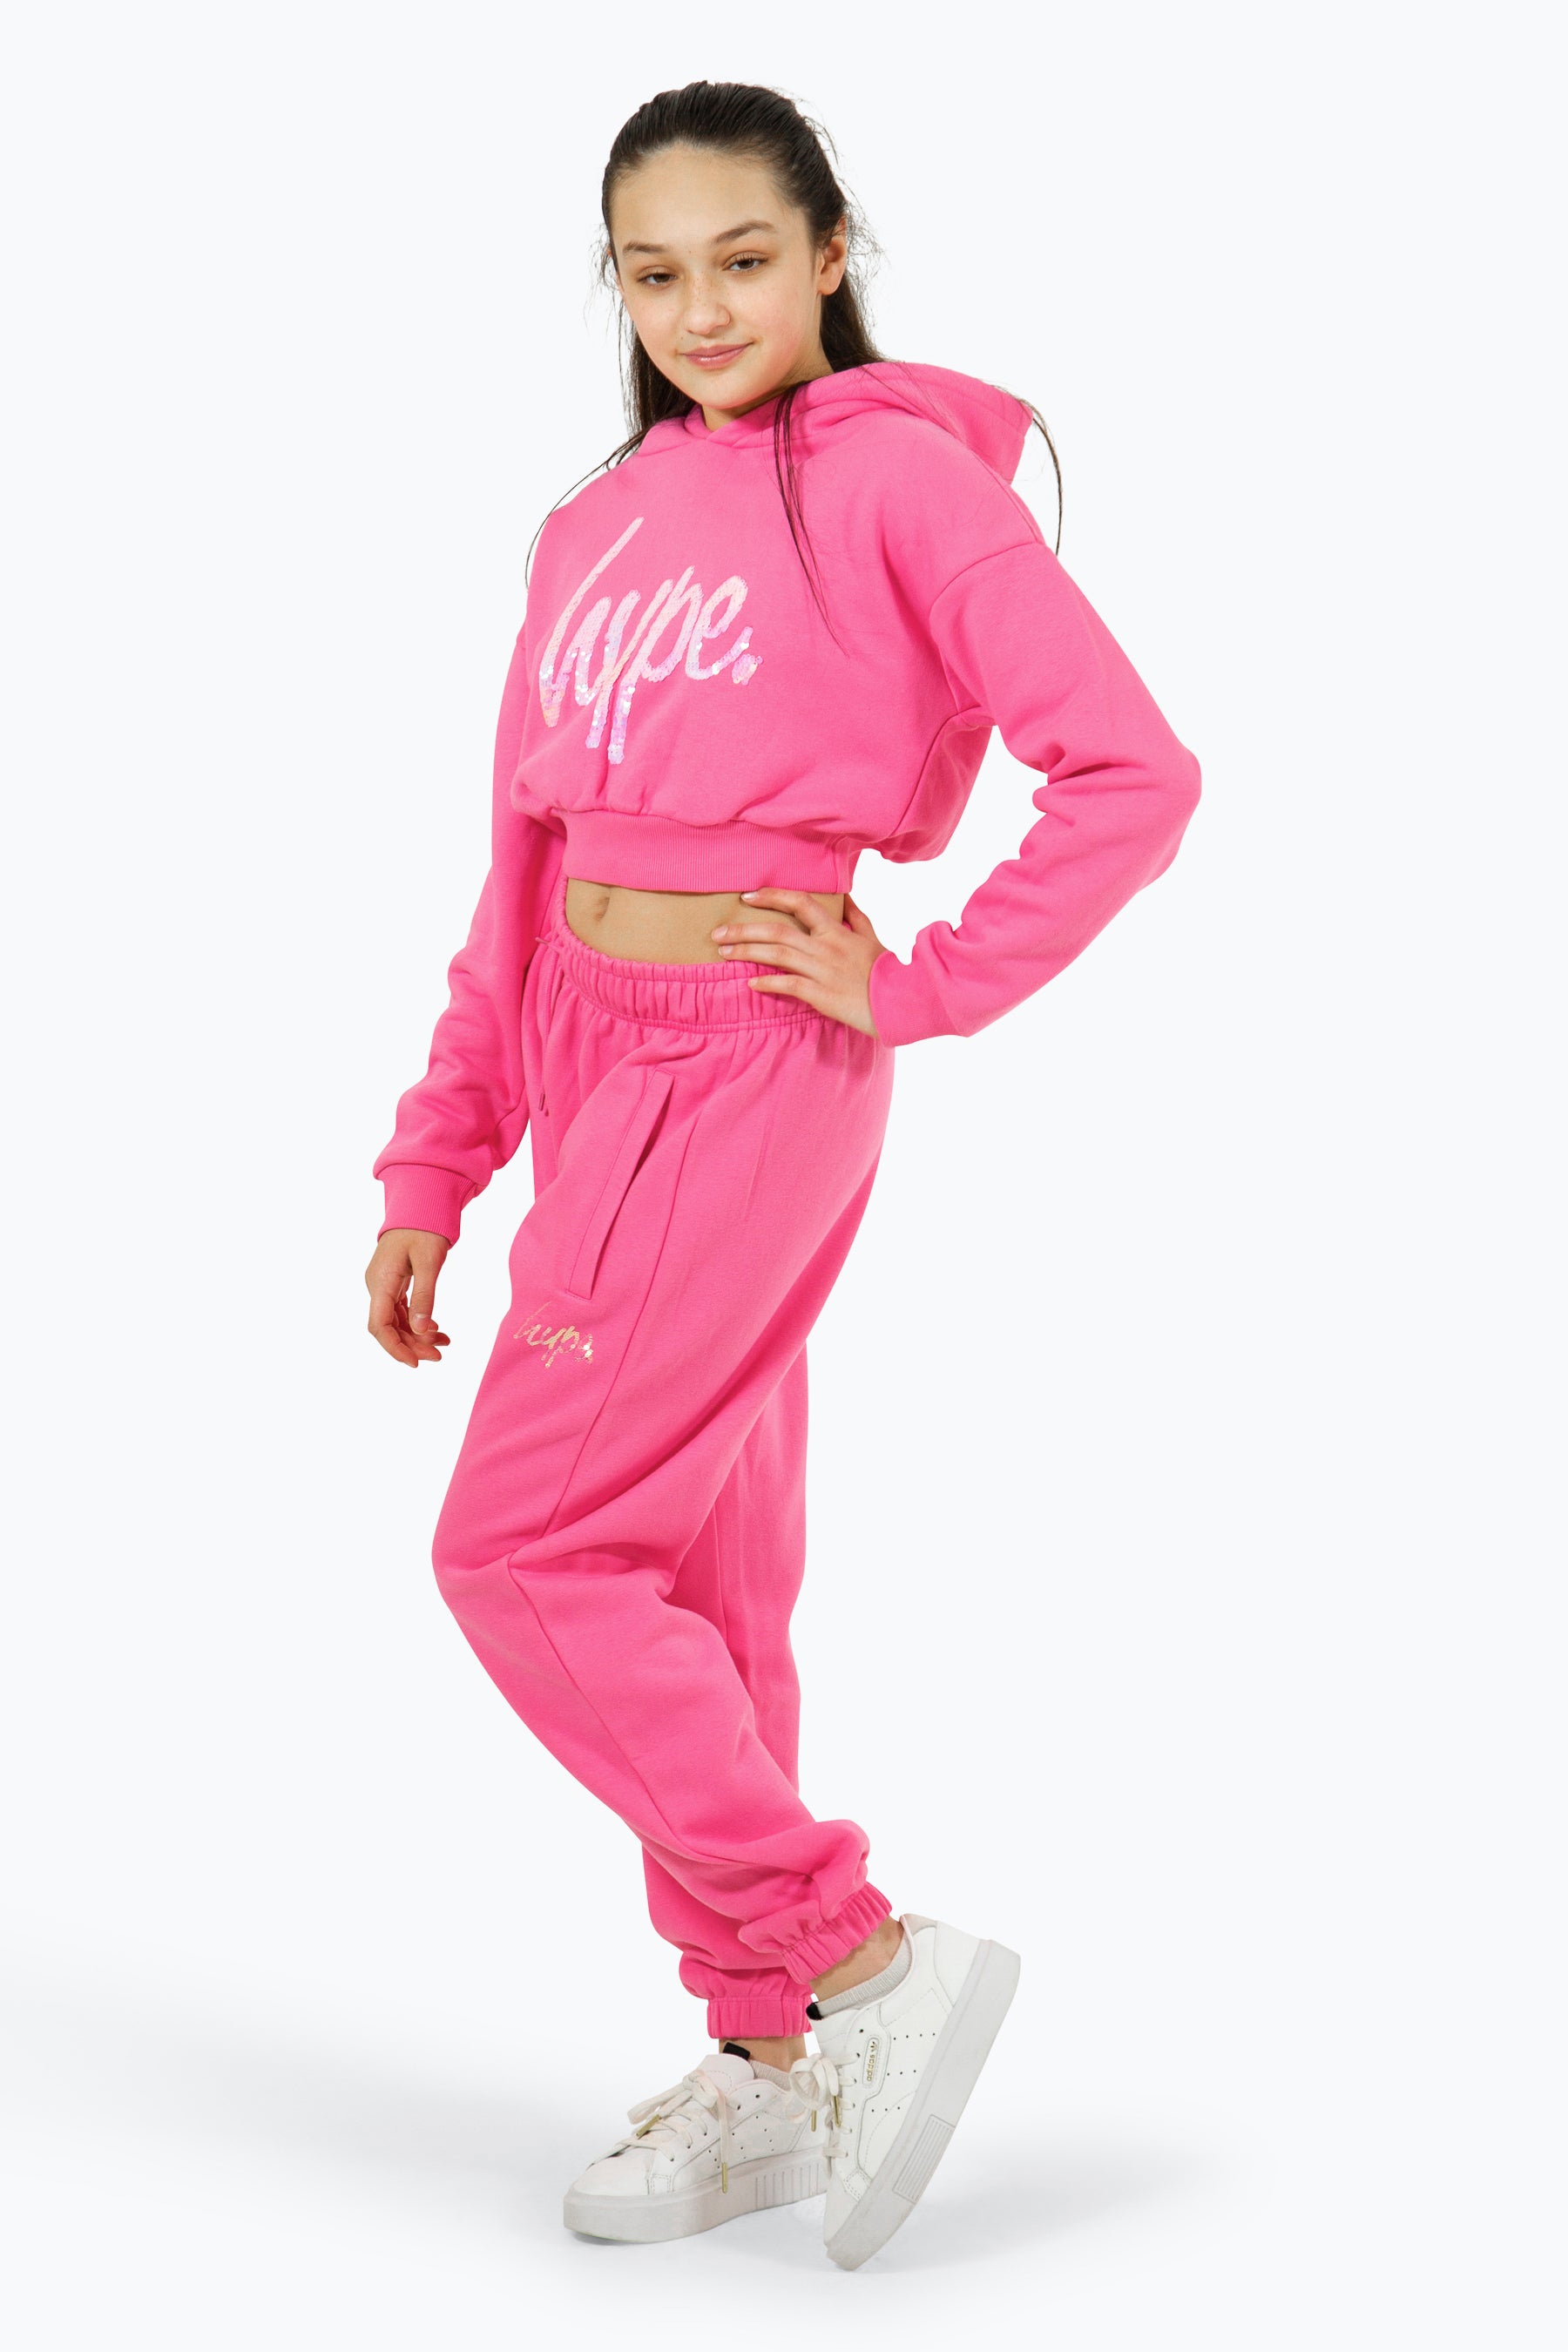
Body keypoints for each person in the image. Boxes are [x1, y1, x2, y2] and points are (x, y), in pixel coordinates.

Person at [365, 79, 1201, 2270]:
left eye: (745, 258)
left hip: (745, 1058)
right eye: (655, 272)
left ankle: (859, 1959)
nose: (703, 308)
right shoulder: (596, 521)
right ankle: (763, 2055)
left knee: (520, 1548)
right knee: (701, 1582)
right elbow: (519, 874)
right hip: (591, 1044)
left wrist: (918, 982)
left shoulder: (898, 483)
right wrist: (440, 1158)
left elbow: (1132, 771)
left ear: (831, 251)